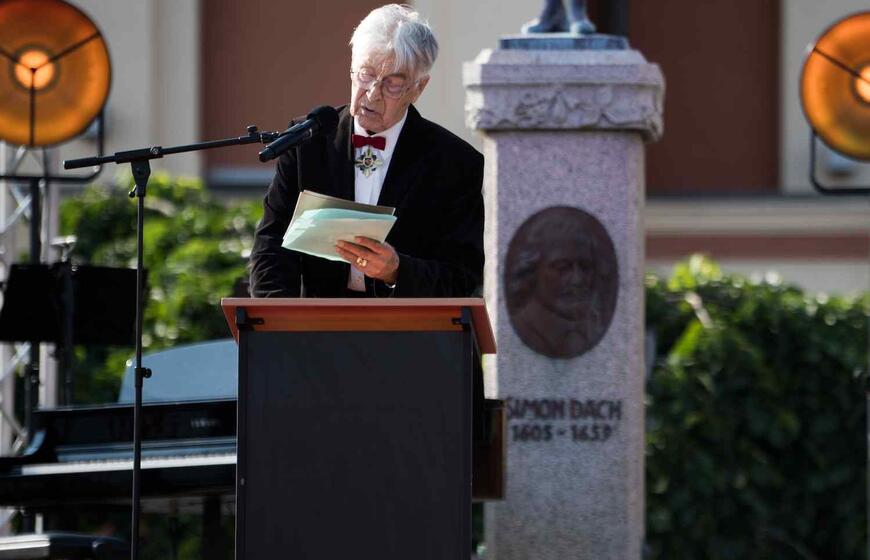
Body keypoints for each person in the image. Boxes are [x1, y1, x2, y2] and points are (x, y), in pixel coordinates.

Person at [249, 4, 484, 298]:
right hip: (318, 319)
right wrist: (280, 320)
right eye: (366, 74)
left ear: (419, 88)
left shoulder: (455, 163)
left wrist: (397, 270)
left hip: (408, 322)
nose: (372, 94)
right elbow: (270, 247)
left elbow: (462, 276)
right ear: (351, 67)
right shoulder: (307, 141)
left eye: (392, 84)